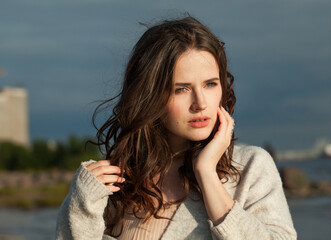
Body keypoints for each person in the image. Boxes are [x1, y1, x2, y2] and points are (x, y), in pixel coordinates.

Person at [56, 16, 297, 240]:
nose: (200, 103)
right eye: (181, 88)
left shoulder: (250, 168)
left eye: (210, 84)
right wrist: (81, 205)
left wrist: (207, 174)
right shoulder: (113, 183)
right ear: (149, 96)